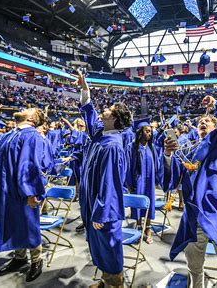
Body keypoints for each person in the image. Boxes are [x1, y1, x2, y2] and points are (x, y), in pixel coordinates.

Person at [164, 95, 217, 288]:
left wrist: (215, 105)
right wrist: (168, 155)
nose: (202, 122)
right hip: (195, 215)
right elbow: (172, 181)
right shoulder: (190, 151)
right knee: (194, 267)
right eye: (200, 121)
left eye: (207, 121)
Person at [77, 73, 132, 287]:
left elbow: (110, 184)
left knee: (109, 248)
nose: (104, 109)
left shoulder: (112, 146)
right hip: (95, 205)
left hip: (104, 210)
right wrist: (85, 90)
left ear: (115, 118)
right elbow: (90, 120)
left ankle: (115, 284)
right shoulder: (103, 135)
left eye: (108, 109)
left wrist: (102, 212)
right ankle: (105, 282)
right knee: (100, 246)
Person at [0, 107, 47, 282]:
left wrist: (31, 192)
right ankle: (19, 257)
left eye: (28, 109)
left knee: (29, 224)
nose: (23, 108)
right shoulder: (10, 134)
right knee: (14, 222)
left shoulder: (32, 135)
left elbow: (31, 165)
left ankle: (37, 260)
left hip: (23, 191)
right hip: (7, 189)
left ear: (32, 118)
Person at [126, 119, 163, 244]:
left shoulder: (152, 148)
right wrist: (130, 184)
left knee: (149, 203)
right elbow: (127, 166)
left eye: (151, 132)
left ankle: (147, 228)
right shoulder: (132, 147)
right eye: (147, 131)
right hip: (138, 182)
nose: (150, 134)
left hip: (149, 181)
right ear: (140, 133)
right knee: (138, 204)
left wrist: (158, 179)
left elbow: (157, 164)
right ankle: (138, 225)